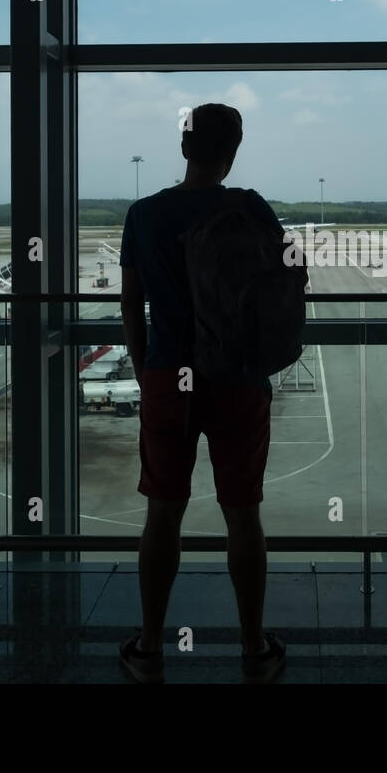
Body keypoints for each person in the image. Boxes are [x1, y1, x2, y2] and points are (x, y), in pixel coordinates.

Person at [117, 102, 287, 684]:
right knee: (244, 516)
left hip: (171, 376)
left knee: (162, 514)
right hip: (239, 377)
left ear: (183, 148)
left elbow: (131, 307)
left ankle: (149, 645)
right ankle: (253, 646)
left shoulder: (143, 215)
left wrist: (147, 373)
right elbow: (284, 283)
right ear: (231, 152)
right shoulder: (250, 207)